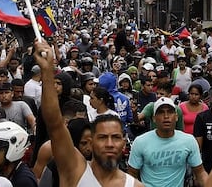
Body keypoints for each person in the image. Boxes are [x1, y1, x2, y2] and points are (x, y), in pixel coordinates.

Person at [33, 38, 143, 187]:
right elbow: (54, 123)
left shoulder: (134, 186)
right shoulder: (75, 170)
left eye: (116, 137)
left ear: (124, 142)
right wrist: (47, 71)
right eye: (103, 137)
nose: (109, 144)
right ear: (91, 141)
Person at [128, 97, 207, 186]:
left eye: (170, 112)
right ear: (154, 118)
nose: (166, 116)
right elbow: (132, 174)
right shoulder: (140, 142)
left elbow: (200, 173)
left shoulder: (189, 141)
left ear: (176, 117)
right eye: (161, 112)